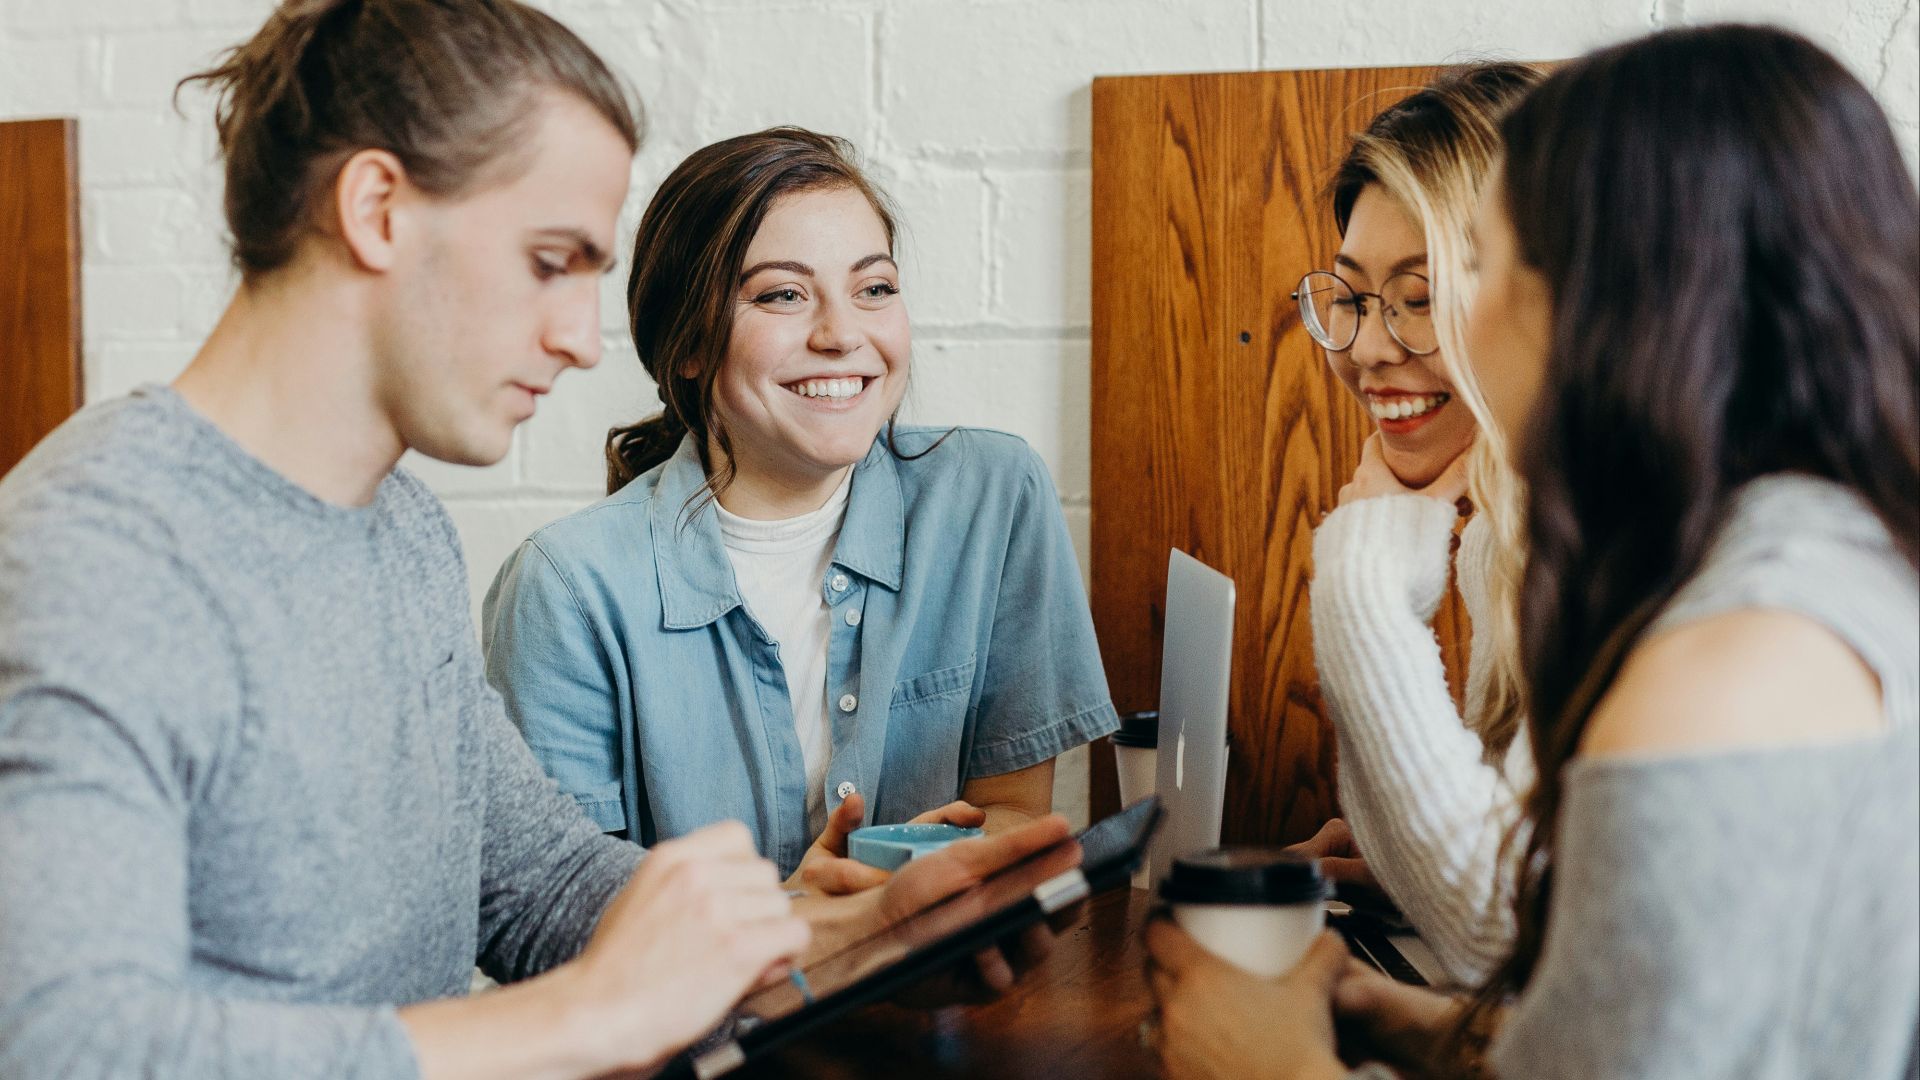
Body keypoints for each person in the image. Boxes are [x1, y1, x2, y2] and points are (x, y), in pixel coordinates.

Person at [0, 4, 1071, 1078]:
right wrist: (585, 1018)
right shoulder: (97, 555)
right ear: (376, 209)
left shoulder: (398, 528)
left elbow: (537, 884)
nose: (573, 336)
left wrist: (841, 949)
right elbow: (62, 1045)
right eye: (549, 261)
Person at [1146, 23, 1919, 1079]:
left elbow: (1513, 937)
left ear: (1616, 300)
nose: (1393, 337)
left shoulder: (1721, 670)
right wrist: (1437, 1033)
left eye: (1481, 266)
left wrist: (1272, 1065)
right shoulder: (1819, 565)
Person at [482, 127, 1119, 890]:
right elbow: (565, 916)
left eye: (874, 288)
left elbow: (1014, 811)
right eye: (783, 294)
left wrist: (919, 876)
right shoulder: (566, 587)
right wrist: (804, 919)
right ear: (685, 344)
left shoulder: (992, 497)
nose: (842, 334)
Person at [1289, 62, 1540, 986]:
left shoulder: (1614, 539)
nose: (1366, 348)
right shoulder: (1506, 533)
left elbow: (1501, 938)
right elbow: (1524, 899)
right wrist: (1404, 863)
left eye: (1421, 297)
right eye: (1350, 298)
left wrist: (1361, 581)